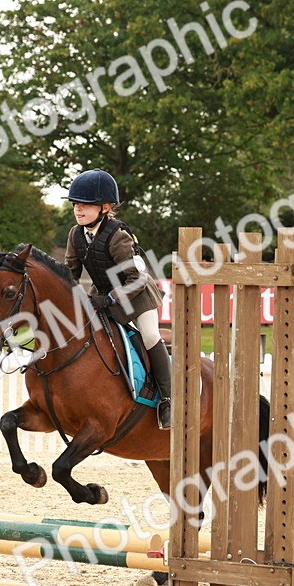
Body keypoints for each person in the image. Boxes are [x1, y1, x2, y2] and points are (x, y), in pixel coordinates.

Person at [62, 169, 173, 430]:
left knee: (150, 336)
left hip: (138, 297)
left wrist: (111, 299)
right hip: (102, 295)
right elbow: (70, 273)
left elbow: (137, 278)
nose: (78, 209)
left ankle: (168, 401)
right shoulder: (75, 234)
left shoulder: (118, 235)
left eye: (85, 204)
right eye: (75, 204)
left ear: (105, 207)